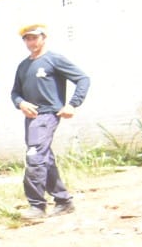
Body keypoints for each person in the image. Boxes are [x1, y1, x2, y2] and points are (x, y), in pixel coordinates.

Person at [9, 22, 91, 221]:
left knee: (35, 156)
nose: (31, 41)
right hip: (32, 118)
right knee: (44, 158)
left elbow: (83, 78)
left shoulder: (54, 60)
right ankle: (64, 201)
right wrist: (20, 104)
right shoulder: (24, 65)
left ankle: (36, 206)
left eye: (34, 37)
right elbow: (15, 93)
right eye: (27, 38)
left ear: (43, 38)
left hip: (48, 115)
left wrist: (72, 104)